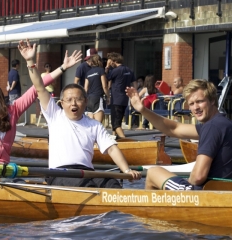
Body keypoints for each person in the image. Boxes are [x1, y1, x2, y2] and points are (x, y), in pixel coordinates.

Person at [19, 39, 141, 187]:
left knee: (113, 185)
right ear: (61, 103)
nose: (73, 103)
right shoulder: (55, 115)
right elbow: (39, 87)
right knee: (85, 186)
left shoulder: (94, 125)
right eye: (69, 100)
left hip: (87, 172)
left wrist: (127, 170)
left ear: (86, 102)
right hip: (60, 173)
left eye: (78, 99)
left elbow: (112, 148)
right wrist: (31, 62)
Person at [127, 79, 232, 190]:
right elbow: (174, 128)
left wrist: (188, 181)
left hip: (207, 195)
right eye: (191, 104)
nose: (196, 108)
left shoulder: (211, 127)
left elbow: (198, 177)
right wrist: (142, 110)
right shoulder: (227, 124)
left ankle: (149, 212)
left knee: (153, 172)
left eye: (200, 101)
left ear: (212, 100)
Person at [106, 53, 134, 138]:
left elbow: (105, 78)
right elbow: (134, 83)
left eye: (110, 61)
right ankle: (114, 136)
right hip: (125, 99)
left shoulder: (115, 71)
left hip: (116, 99)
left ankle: (124, 139)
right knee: (118, 120)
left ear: (114, 61)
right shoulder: (129, 70)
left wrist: (107, 67)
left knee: (115, 124)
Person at [83, 53, 108, 124]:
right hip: (97, 97)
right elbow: (105, 86)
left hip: (89, 99)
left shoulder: (88, 73)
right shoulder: (101, 70)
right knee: (98, 124)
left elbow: (85, 88)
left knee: (91, 124)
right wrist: (108, 96)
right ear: (99, 61)